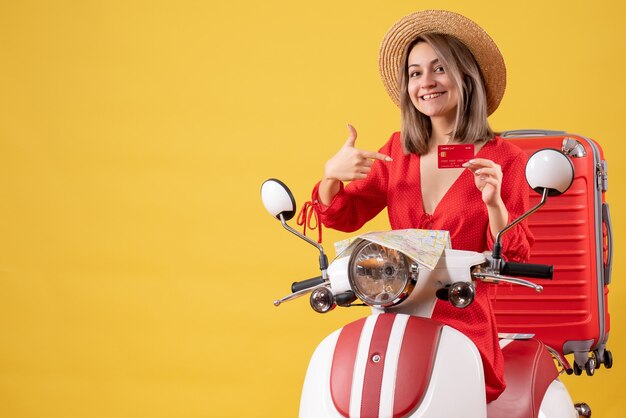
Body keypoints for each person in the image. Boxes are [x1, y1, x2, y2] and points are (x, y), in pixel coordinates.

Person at [303, 10, 534, 403]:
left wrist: (494, 203)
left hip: (463, 325)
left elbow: (513, 252)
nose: (425, 82)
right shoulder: (398, 151)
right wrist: (331, 176)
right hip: (396, 321)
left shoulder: (505, 159)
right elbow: (344, 216)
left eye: (439, 68)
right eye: (414, 72)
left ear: (466, 76)